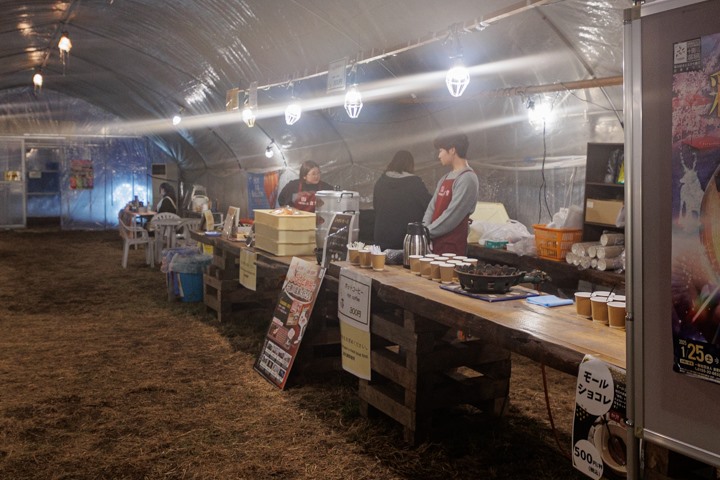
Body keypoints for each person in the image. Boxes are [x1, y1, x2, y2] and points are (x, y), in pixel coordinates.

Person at [422, 133, 479, 256]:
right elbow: (431, 207)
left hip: (452, 248)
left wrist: (427, 232)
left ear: (452, 150)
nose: (439, 155)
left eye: (441, 151)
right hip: (435, 244)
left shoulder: (467, 178)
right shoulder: (444, 178)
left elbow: (453, 215)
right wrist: (424, 229)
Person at [373, 150, 431, 250]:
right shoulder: (415, 183)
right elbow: (429, 205)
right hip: (406, 239)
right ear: (410, 165)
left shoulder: (381, 181)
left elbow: (376, 206)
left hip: (381, 236)